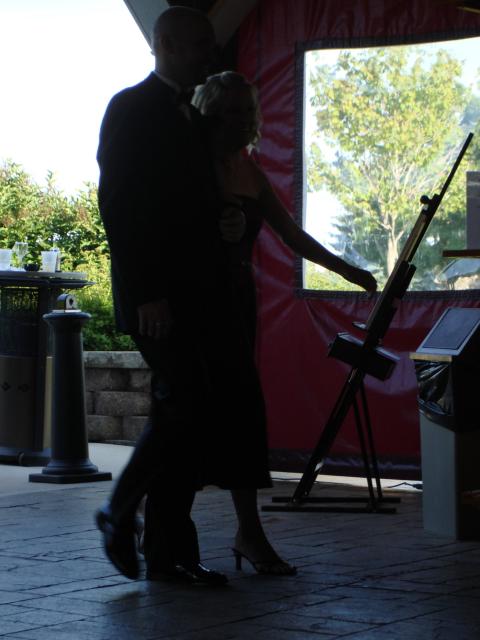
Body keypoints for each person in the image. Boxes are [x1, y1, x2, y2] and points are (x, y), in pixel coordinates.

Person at [190, 71, 378, 574]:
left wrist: (347, 270)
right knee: (191, 415)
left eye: (247, 111)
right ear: (210, 113)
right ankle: (151, 517)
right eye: (231, 111)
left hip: (235, 302)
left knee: (242, 414)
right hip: (196, 303)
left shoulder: (250, 171)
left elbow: (291, 234)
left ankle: (247, 532)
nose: (241, 120)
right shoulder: (192, 164)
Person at [95, 7, 247, 586]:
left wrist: (230, 223)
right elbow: (120, 207)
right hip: (156, 298)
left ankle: (167, 553)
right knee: (185, 403)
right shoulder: (130, 108)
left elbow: (199, 203)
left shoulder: (196, 118)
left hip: (200, 292)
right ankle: (119, 512)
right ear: (164, 44)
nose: (211, 52)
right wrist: (148, 295)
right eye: (199, 43)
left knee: (187, 414)